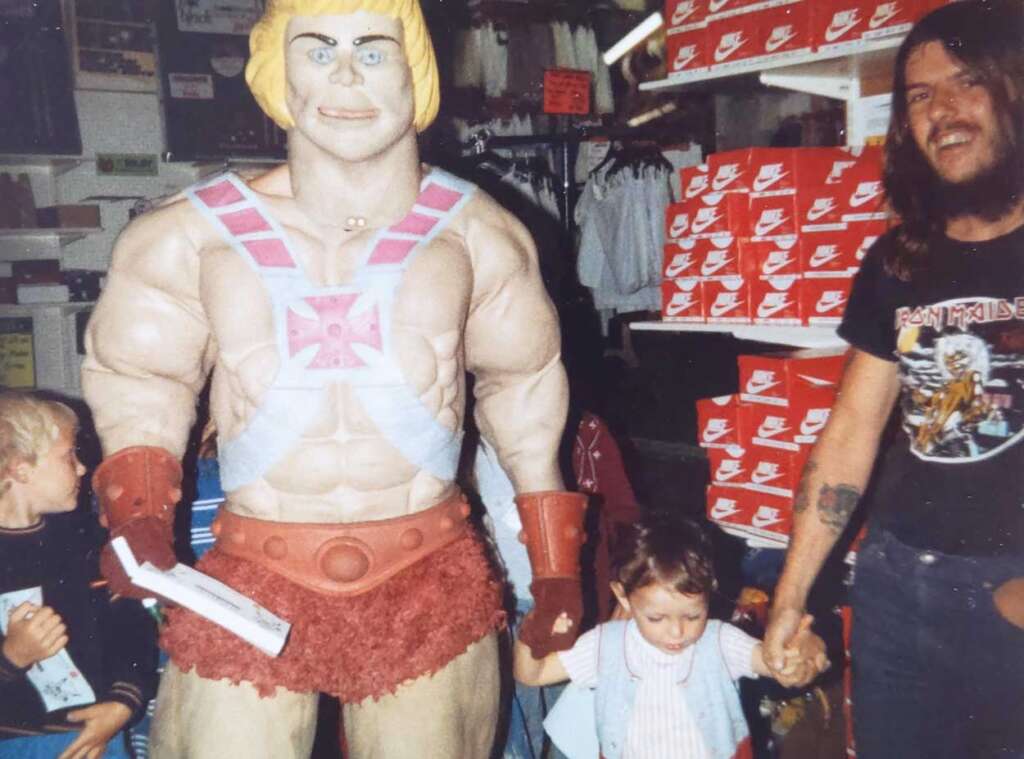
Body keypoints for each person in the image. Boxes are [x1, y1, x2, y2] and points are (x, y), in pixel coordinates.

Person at [81, 1, 587, 757]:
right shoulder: (189, 235)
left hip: (428, 571)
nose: (346, 75)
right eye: (319, 51)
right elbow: (140, 377)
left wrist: (555, 570)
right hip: (253, 571)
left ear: (417, 72)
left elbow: (525, 389)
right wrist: (140, 516)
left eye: (374, 51)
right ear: (274, 72)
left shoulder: (478, 232)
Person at [763, 2, 1024, 757]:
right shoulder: (897, 260)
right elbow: (848, 436)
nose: (941, 110)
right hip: (896, 590)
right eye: (918, 95)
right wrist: (791, 595)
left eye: (967, 82)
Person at [514, 517, 826, 759]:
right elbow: (534, 674)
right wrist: (533, 632)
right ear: (623, 597)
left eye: (692, 615)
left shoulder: (720, 642)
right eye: (656, 618)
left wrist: (800, 656)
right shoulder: (604, 646)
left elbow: (778, 667)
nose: (677, 632)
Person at [0, 392, 158, 759]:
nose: (83, 468)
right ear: (21, 468)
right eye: (69, 455)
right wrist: (11, 657)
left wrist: (123, 704)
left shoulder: (85, 539)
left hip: (98, 736)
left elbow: (131, 624)